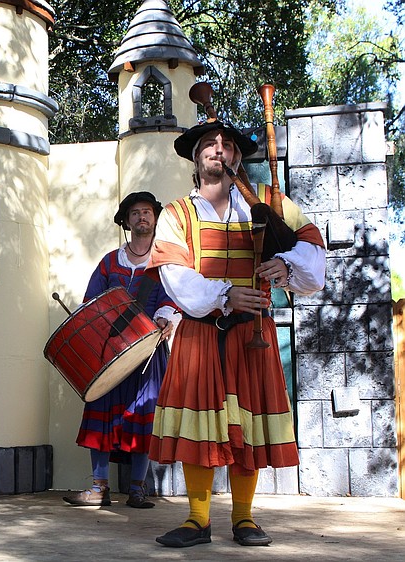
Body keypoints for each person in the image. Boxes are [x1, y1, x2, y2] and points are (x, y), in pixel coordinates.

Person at [148, 118, 325, 547]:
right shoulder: (176, 214)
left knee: (248, 424)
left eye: (226, 145)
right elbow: (175, 275)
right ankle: (197, 519)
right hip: (200, 334)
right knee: (199, 427)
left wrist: (285, 267)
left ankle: (244, 518)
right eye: (208, 143)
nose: (218, 149)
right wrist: (226, 295)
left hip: (253, 334)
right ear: (196, 157)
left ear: (237, 158)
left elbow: (313, 250)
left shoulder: (268, 202)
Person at [63, 192, 179, 509]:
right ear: (127, 221)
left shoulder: (166, 260)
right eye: (135, 213)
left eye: (147, 212)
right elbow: (92, 302)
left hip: (150, 353)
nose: (142, 217)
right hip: (108, 353)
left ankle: (137, 489)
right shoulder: (110, 263)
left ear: (155, 219)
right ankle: (99, 489)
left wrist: (166, 319)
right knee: (100, 417)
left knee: (143, 417)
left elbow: (176, 297)